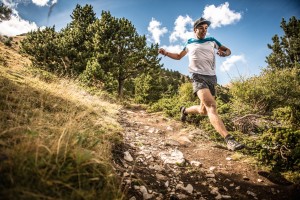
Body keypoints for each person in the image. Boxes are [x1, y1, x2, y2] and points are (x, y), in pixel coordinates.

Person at [158, 17, 244, 151]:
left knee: (203, 110)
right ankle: (229, 140)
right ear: (195, 29)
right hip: (197, 77)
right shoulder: (189, 43)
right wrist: (166, 53)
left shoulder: (212, 41)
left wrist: (224, 53)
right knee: (211, 106)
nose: (204, 31)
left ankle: (184, 110)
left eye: (206, 28)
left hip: (211, 78)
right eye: (201, 28)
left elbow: (228, 50)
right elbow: (179, 56)